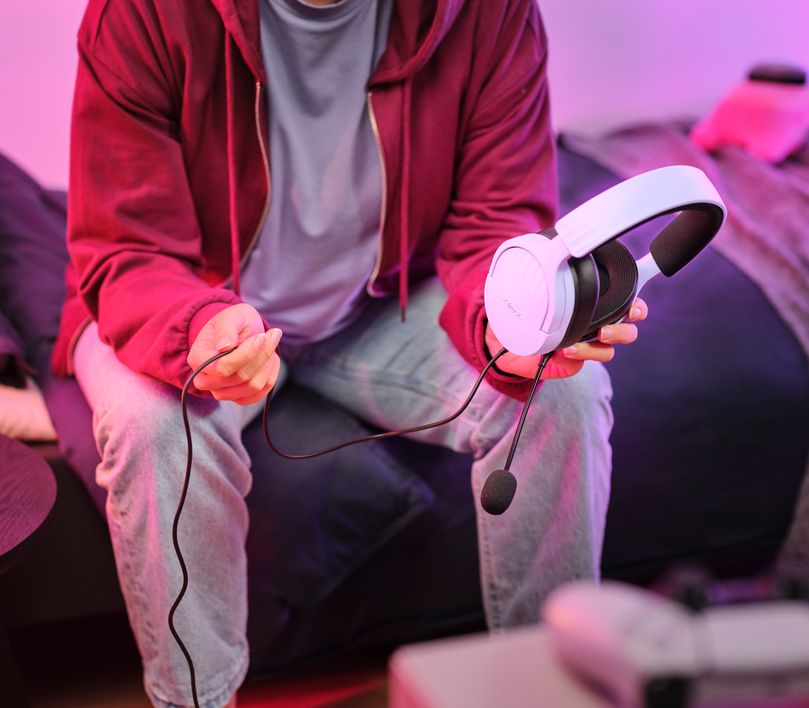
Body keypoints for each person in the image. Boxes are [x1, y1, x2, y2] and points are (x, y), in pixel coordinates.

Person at [53, 0, 648, 705]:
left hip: (380, 305)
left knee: (563, 387)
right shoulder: (144, 13)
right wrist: (197, 328)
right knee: (155, 426)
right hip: (188, 306)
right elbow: (127, 247)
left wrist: (509, 328)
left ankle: (547, 691)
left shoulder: (491, 12)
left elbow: (496, 219)